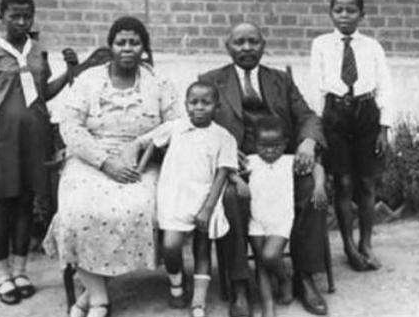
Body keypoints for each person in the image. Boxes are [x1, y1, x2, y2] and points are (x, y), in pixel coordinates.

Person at [42, 16, 179, 317]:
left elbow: (176, 123)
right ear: (111, 46)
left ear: (144, 48)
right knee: (77, 210)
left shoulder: (159, 83)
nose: (127, 48)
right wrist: (104, 162)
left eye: (135, 43)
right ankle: (99, 297)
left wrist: (140, 143)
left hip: (138, 164)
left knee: (136, 208)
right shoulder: (89, 81)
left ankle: (88, 296)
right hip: (90, 160)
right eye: (121, 42)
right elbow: (71, 126)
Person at [199, 21, 329, 316]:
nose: (246, 48)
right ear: (227, 46)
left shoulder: (280, 80)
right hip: (239, 168)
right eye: (239, 42)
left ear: (263, 45)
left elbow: (307, 116)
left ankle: (305, 276)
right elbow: (202, 128)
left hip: (280, 161)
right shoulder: (210, 80)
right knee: (230, 198)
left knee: (310, 188)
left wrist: (308, 142)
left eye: (253, 42)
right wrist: (227, 156)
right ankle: (241, 285)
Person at [0, 0, 77, 305]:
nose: (21, 21)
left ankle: (20, 269)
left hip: (34, 140)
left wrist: (70, 72)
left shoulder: (38, 51)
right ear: (0, 16)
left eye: (27, 16)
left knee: (26, 203)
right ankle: (1, 274)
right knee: (0, 206)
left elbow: (43, 94)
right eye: (14, 15)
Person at [130, 81, 238, 317]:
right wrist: (138, 170)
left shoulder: (223, 136)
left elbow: (222, 173)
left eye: (206, 103)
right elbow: (151, 143)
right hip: (174, 196)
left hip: (204, 199)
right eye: (193, 102)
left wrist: (208, 208)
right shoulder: (175, 127)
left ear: (217, 107)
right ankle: (176, 285)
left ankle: (199, 301)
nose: (199, 108)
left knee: (202, 248)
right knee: (170, 246)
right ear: (186, 104)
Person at [310, 0, 392, 271]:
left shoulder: (372, 46)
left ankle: (366, 242)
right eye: (339, 10)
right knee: (343, 183)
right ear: (330, 13)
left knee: (367, 183)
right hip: (335, 116)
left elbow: (385, 87)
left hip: (367, 114)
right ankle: (347, 244)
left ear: (362, 15)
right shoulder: (320, 44)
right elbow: (316, 86)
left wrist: (384, 128)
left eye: (351, 10)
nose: (344, 16)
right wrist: (317, 129)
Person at [245, 116, 327, 317]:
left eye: (275, 146)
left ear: (284, 144)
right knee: (261, 262)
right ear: (255, 144)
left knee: (270, 255)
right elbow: (231, 171)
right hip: (255, 219)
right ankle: (268, 307)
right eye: (264, 146)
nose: (270, 151)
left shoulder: (288, 161)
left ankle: (284, 280)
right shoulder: (250, 161)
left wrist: (319, 186)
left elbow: (317, 167)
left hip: (280, 219)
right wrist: (237, 181)